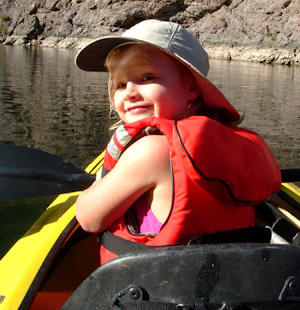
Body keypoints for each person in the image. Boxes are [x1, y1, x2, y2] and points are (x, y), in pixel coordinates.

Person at [75, 19, 281, 265]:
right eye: (120, 84)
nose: (129, 92)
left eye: (147, 77)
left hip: (153, 293)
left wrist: (98, 183)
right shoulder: (226, 146)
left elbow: (89, 218)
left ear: (191, 87)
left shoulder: (150, 151)